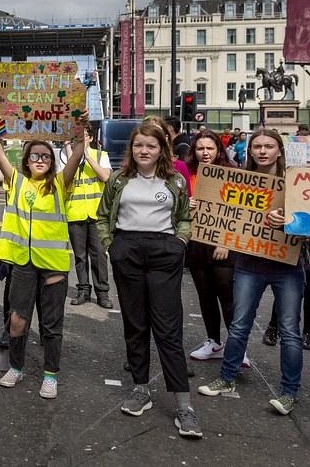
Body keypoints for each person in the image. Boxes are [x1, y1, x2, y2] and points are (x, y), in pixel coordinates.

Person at [97, 120, 201, 439]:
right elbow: (103, 216)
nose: (144, 150)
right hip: (126, 249)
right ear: (132, 148)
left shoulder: (175, 181)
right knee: (135, 324)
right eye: (139, 145)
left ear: (161, 150)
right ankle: (141, 389)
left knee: (168, 329)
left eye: (151, 146)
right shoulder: (118, 179)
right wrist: (110, 245)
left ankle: (184, 407)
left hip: (164, 251)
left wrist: (179, 243)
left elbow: (184, 217)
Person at [198, 128, 304, 415]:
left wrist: (289, 219)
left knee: (290, 331)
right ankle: (227, 378)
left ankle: (289, 392)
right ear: (250, 150)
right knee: (239, 323)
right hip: (249, 263)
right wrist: (201, 206)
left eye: (269, 146)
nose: (263, 151)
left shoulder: (296, 182)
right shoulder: (238, 181)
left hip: (287, 265)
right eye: (257, 146)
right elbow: (222, 215)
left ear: (279, 150)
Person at [0, 113, 83, 400]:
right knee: (17, 320)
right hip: (23, 265)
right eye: (35, 156)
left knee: (51, 326)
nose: (40, 160)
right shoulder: (15, 181)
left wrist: (81, 129)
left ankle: (51, 376)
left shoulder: (60, 184)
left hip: (52, 267)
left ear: (52, 163)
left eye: (46, 157)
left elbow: (77, 154)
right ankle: (16, 367)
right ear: (26, 160)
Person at [184, 130, 242, 365]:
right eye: (200, 149)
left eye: (209, 148)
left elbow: (239, 212)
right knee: (205, 296)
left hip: (223, 246)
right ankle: (213, 342)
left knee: (227, 297)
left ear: (219, 150)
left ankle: (238, 346)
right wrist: (185, 204)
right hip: (196, 244)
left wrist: (225, 241)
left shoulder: (232, 174)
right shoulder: (187, 174)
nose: (205, 153)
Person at [63, 123, 112, 308]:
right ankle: (83, 289)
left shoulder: (101, 156)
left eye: (83, 137)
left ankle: (102, 293)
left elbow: (106, 177)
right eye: (76, 138)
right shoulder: (68, 157)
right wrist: (71, 150)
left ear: (90, 138)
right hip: (75, 214)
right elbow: (67, 177)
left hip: (97, 215)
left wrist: (88, 157)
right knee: (80, 256)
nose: (80, 140)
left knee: (99, 254)